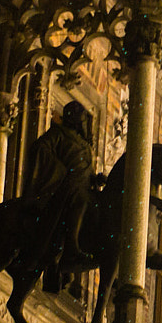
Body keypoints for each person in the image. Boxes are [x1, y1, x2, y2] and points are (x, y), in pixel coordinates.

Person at [24, 100, 95, 272]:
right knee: (81, 199)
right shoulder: (59, 134)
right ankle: (71, 246)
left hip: (82, 186)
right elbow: (40, 147)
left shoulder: (85, 145)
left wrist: (96, 178)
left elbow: (87, 170)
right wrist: (60, 170)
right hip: (65, 186)